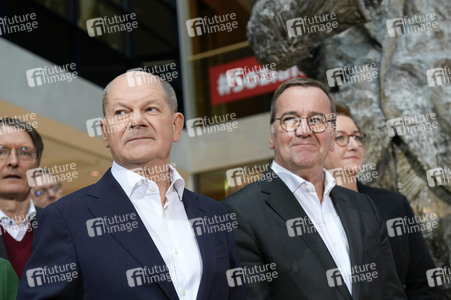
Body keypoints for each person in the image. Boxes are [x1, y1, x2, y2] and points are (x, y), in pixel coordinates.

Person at [18, 71, 245, 300]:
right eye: (121, 112)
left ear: (176, 126)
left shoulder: (214, 214)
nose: (136, 121)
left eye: (150, 109)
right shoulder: (65, 219)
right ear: (105, 132)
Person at [222, 78, 407, 299]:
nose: (304, 130)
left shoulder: (363, 207)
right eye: (290, 119)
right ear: (272, 136)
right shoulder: (239, 214)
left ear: (330, 135)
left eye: (316, 120)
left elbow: (390, 293)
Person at [324, 103, 440, 299]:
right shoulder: (312, 211)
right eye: (340, 138)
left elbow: (424, 282)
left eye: (357, 137)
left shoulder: (393, 205)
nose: (354, 145)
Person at [0, 118, 43, 279]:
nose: (13, 161)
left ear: (37, 166)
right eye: (1, 151)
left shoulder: (62, 226)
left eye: (24, 152)